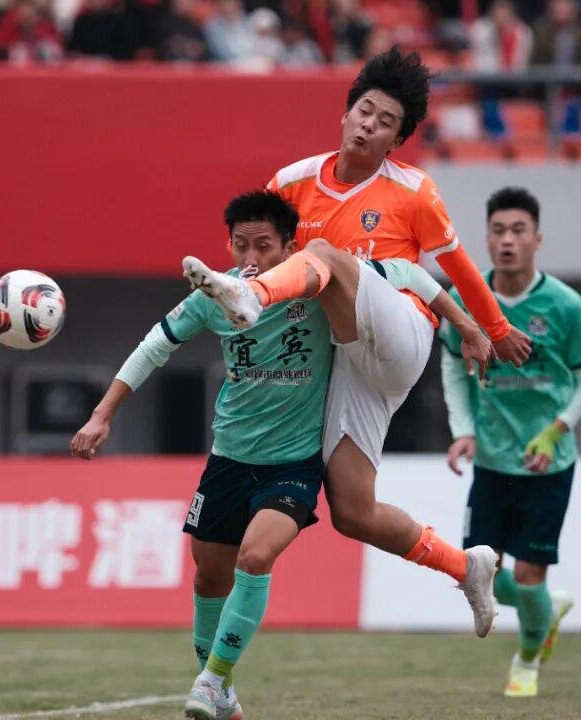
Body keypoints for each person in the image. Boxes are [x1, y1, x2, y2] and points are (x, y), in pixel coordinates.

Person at [70, 189, 488, 720]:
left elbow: (411, 275)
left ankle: (211, 681)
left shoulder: (314, 279)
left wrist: (465, 324)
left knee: (256, 556)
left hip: (292, 464)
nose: (250, 257)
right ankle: (223, 692)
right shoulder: (214, 293)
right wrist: (102, 414)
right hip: (228, 458)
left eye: (263, 246)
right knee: (208, 578)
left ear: (289, 247)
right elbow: (155, 345)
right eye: (240, 245)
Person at [180, 46, 533, 646]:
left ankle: (253, 298)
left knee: (323, 256)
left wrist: (491, 329)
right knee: (352, 511)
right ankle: (466, 567)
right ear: (345, 114)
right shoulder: (292, 182)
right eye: (365, 111)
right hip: (346, 355)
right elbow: (258, 245)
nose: (370, 125)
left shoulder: (414, 191)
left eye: (386, 122)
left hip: (401, 336)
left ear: (396, 141)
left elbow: (455, 269)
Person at [439, 187, 581, 698]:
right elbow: (452, 366)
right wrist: (463, 430)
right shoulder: (464, 299)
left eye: (518, 231)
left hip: (546, 464)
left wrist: (554, 432)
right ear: (487, 239)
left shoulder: (565, 305)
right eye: (498, 231)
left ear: (537, 239)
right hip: (491, 459)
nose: (507, 240)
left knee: (529, 576)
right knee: (477, 575)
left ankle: (527, 660)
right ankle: (548, 609)